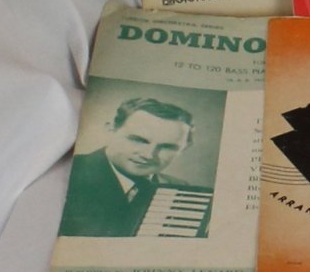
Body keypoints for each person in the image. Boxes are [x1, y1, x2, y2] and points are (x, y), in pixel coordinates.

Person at [61, 96, 210, 237]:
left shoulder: (178, 189)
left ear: (184, 149)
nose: (148, 155)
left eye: (167, 147)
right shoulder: (68, 173)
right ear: (111, 130)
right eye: (138, 140)